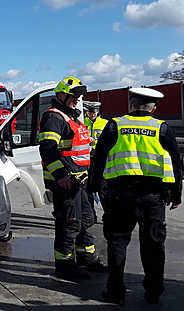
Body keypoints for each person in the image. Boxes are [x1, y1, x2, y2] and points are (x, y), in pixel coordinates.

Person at [89, 87, 182, 305]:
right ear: (154, 108)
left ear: (131, 105)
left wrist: (93, 186)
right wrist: (176, 195)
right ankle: (153, 292)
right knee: (153, 244)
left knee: (117, 243)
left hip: (120, 196)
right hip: (153, 197)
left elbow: (99, 157)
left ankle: (115, 292)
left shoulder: (115, 125)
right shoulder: (162, 128)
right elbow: (177, 165)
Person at [38, 77, 108, 280]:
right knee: (69, 223)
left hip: (80, 181)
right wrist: (60, 176)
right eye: (73, 96)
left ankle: (87, 258)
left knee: (86, 219)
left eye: (78, 96)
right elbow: (48, 148)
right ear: (60, 95)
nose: (77, 99)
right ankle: (65, 265)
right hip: (66, 182)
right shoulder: (54, 117)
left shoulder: (72, 117)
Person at [84, 101, 108, 223]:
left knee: (103, 188)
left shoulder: (105, 124)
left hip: (100, 160)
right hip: (86, 160)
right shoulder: (81, 123)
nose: (92, 114)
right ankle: (90, 216)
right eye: (90, 112)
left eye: (94, 112)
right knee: (88, 189)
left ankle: (108, 215)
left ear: (98, 112)